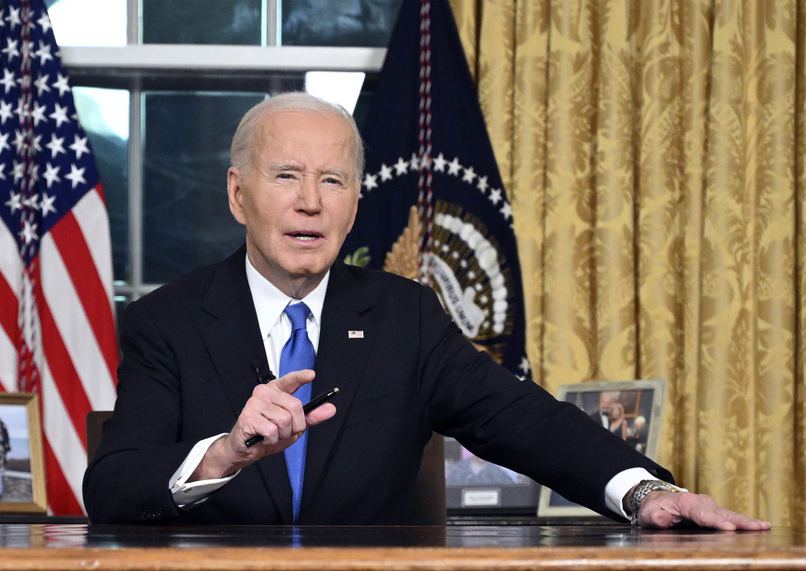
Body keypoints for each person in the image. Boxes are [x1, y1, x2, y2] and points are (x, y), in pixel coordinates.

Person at [83, 92, 769, 532]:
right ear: (239, 195)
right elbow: (112, 488)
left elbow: (522, 420)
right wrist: (227, 452)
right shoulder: (166, 321)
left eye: (333, 181)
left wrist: (644, 491)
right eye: (287, 176)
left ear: (355, 203)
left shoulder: (404, 317)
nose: (310, 202)